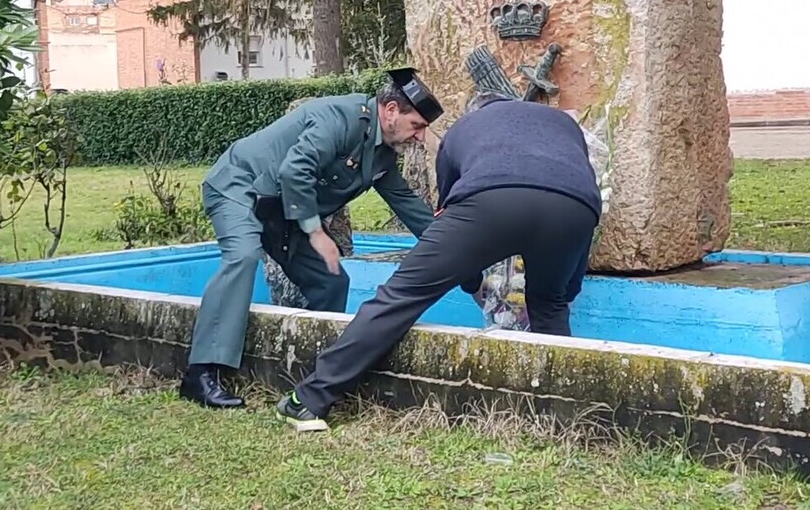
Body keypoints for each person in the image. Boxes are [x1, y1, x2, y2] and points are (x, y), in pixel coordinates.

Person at [275, 94, 603, 432]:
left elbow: (450, 215)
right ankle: (560, 419)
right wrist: (559, 289)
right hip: (576, 209)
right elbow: (578, 186)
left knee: (401, 297)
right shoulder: (563, 123)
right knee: (551, 304)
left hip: (490, 199)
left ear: (477, 111)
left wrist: (470, 281)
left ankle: (310, 400)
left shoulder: (463, 129)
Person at [179, 68, 446, 409]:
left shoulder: (381, 154)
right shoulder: (340, 118)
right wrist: (316, 232)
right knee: (244, 256)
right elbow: (295, 170)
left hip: (282, 209)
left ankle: (316, 376)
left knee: (332, 280)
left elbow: (409, 205)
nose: (420, 137)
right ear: (391, 110)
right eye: (418, 126)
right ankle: (200, 374)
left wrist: (458, 248)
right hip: (240, 187)